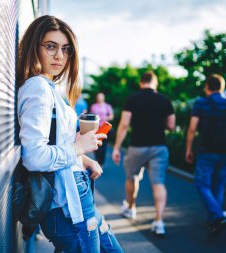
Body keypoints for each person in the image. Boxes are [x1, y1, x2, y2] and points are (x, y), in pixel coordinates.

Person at [17, 15, 124, 252]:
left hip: (78, 193)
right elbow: (34, 157)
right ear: (35, 47)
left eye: (65, 49)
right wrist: (79, 148)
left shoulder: (50, 87)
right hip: (65, 204)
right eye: (51, 46)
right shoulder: (37, 88)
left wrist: (83, 159)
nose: (59, 56)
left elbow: (56, 141)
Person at [112, 71, 175, 235]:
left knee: (131, 178)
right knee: (158, 182)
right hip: (159, 147)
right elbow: (171, 125)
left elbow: (124, 124)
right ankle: (159, 222)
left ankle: (131, 208)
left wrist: (117, 147)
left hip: (137, 147)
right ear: (155, 83)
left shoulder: (132, 99)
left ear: (141, 83)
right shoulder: (164, 100)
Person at [185, 74, 226, 237]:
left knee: (202, 184)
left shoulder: (201, 103)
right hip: (224, 151)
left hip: (206, 150)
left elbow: (192, 128)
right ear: (221, 88)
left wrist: (188, 148)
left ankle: (217, 215)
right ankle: (214, 222)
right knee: (219, 185)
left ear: (207, 87)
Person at [90, 92, 114, 165]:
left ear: (103, 98)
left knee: (103, 146)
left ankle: (101, 162)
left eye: (101, 97)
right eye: (99, 97)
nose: (100, 98)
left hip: (104, 129)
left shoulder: (107, 106)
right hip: (96, 128)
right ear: (97, 98)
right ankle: (97, 159)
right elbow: (91, 116)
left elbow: (111, 116)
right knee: (95, 144)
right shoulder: (94, 106)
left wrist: (105, 117)